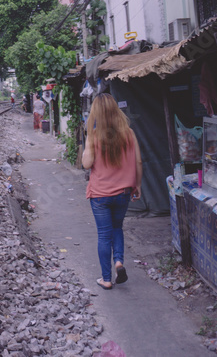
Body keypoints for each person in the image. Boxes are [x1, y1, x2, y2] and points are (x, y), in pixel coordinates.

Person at [81, 94, 143, 290]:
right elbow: (139, 162)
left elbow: (86, 164)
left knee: (103, 235)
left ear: (96, 113)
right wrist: (138, 186)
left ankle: (106, 279)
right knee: (117, 228)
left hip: (100, 195)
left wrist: (89, 138)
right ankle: (118, 262)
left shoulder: (95, 135)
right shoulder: (129, 134)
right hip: (123, 193)